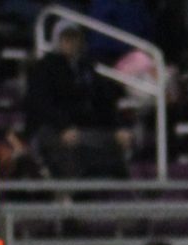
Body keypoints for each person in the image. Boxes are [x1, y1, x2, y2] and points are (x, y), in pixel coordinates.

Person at [24, 23, 134, 178]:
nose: (70, 43)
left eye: (74, 38)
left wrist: (118, 127)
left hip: (83, 127)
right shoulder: (43, 68)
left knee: (116, 140)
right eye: (66, 38)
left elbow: (103, 101)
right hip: (52, 128)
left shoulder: (86, 67)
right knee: (70, 143)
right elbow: (41, 104)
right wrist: (63, 127)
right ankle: (72, 187)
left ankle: (115, 186)